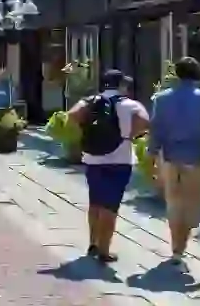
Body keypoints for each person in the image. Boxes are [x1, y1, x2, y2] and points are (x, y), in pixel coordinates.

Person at [147, 56, 200, 266]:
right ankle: (181, 246)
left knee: (173, 202)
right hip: (195, 156)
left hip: (169, 157)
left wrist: (152, 156)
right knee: (192, 203)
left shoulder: (160, 99)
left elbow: (156, 130)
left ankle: (176, 247)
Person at [68, 69, 149, 263]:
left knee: (95, 202)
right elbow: (146, 122)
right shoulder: (130, 104)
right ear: (120, 85)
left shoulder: (89, 101)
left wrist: (86, 132)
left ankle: (93, 243)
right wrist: (129, 135)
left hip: (93, 159)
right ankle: (104, 251)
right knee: (110, 207)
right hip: (119, 160)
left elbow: (71, 115)